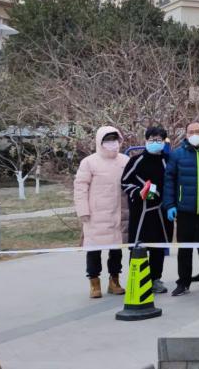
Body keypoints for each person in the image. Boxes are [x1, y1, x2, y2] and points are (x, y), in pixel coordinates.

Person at [163, 121, 199, 296]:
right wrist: (170, 205)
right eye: (191, 132)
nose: (194, 134)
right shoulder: (177, 154)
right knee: (184, 249)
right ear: (186, 134)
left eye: (198, 131)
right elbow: (169, 181)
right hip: (184, 210)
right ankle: (183, 283)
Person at [75, 126, 130, 299]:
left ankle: (114, 281)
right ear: (100, 141)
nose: (112, 143)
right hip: (95, 215)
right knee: (94, 250)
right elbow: (80, 188)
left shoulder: (125, 160)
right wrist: (83, 210)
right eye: (108, 139)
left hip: (119, 212)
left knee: (116, 250)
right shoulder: (89, 162)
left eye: (114, 139)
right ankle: (94, 283)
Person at [121, 126, 171, 294]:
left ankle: (155, 279)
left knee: (158, 247)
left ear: (163, 142)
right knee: (138, 246)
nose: (155, 142)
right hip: (141, 211)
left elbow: (173, 180)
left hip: (161, 211)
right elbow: (125, 182)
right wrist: (139, 192)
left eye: (158, 140)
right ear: (146, 140)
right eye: (151, 139)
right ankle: (136, 279)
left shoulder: (168, 160)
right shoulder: (136, 160)